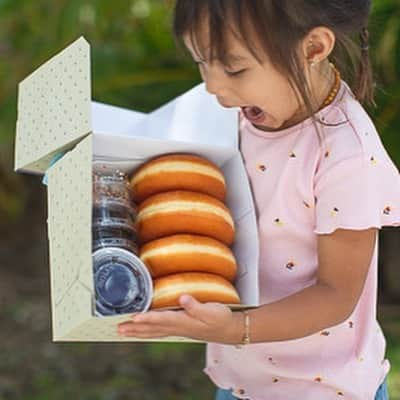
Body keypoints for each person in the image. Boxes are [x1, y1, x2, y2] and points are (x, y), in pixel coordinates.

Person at [117, 1, 400, 399]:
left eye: (234, 68)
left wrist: (236, 329)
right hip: (241, 378)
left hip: (322, 390)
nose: (214, 86)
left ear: (313, 48)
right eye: (202, 62)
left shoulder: (347, 157)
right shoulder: (244, 109)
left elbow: (337, 295)